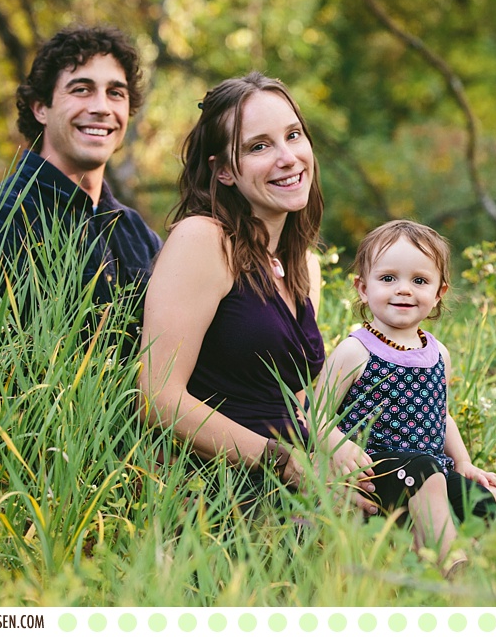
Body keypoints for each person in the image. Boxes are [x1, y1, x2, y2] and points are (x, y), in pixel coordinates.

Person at [140, 72, 377, 514]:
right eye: (259, 146)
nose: (288, 157)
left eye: (293, 135)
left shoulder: (303, 265)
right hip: (219, 491)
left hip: (300, 479)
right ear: (224, 171)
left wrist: (338, 452)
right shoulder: (203, 241)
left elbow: (295, 400)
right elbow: (157, 397)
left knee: (455, 498)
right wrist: (287, 465)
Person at [0, 25, 162, 343]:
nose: (101, 107)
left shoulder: (137, 233)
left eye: (115, 93)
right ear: (40, 108)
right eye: (81, 89)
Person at [314, 220, 496, 577]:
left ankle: (488, 574)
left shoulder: (438, 353)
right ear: (362, 287)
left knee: (494, 497)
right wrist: (339, 449)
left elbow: (442, 416)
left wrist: (463, 462)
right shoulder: (355, 350)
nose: (404, 290)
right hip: (375, 473)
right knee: (423, 471)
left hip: (432, 468)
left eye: (419, 281)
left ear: (439, 292)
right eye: (388, 278)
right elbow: (316, 417)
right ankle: (449, 565)